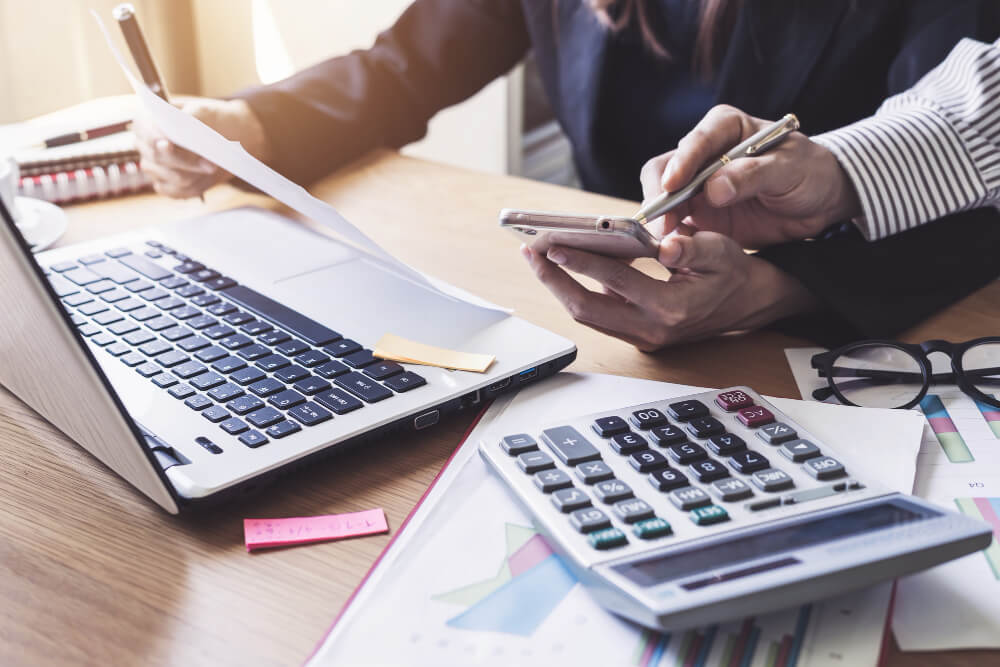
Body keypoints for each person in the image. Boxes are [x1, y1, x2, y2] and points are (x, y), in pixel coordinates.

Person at [137, 0, 1000, 350]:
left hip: (848, 334)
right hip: (609, 333)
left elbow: (967, 181)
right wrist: (250, 126)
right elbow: (407, 64)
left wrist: (781, 288)